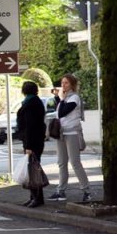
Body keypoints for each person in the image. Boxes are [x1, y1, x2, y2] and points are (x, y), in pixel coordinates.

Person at [48, 74, 91, 202]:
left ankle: (87, 191)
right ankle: (61, 191)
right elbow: (58, 112)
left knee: (75, 162)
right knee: (61, 162)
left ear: (72, 85)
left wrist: (60, 98)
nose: (63, 85)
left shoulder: (74, 98)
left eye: (66, 83)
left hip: (72, 133)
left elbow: (63, 112)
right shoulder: (65, 98)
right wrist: (58, 98)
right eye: (62, 83)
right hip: (61, 133)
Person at [16, 81, 47, 208]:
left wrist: (28, 146)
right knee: (32, 169)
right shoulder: (34, 102)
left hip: (32, 142)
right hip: (35, 140)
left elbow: (30, 126)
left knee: (33, 170)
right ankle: (34, 197)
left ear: (24, 91)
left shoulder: (31, 104)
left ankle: (37, 198)